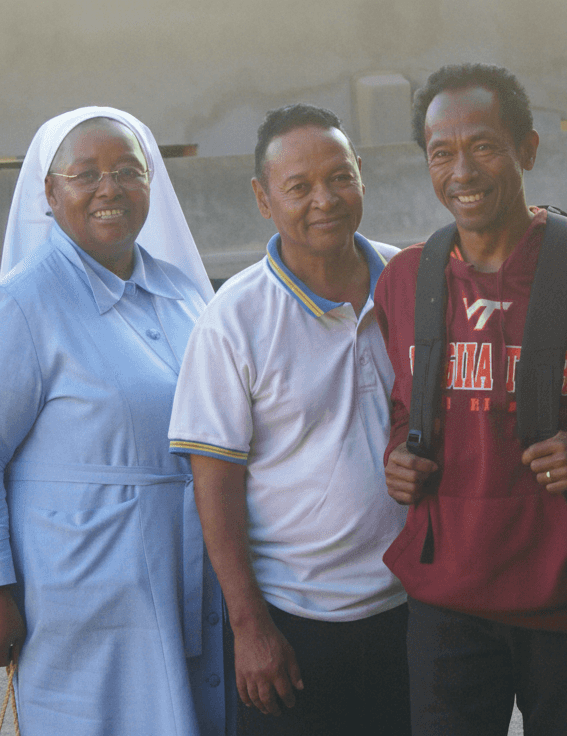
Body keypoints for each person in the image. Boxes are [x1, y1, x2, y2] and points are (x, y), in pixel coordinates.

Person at [375, 63, 567, 735]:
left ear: (527, 149)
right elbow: (404, 406)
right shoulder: (406, 280)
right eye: (441, 153)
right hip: (445, 602)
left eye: (484, 146)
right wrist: (398, 454)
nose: (462, 171)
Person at [0, 107, 229, 734]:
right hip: (84, 594)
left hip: (192, 575)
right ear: (49, 191)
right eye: (85, 174)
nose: (109, 188)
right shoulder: (19, 305)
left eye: (128, 171)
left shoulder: (183, 294)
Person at [168, 103, 408, 736]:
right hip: (295, 624)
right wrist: (250, 628)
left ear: (361, 175)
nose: (324, 200)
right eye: (298, 187)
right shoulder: (234, 319)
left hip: (415, 611)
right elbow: (214, 484)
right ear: (263, 199)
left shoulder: (409, 282)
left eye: (339, 177)